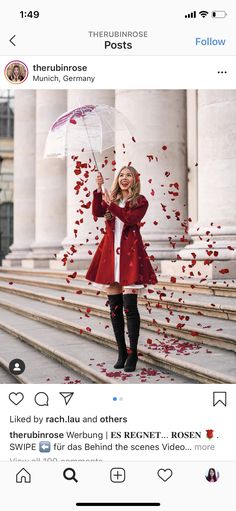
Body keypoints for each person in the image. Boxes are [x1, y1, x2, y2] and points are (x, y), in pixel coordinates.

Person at [86, 166, 157, 372]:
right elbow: (97, 212)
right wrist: (99, 190)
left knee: (129, 307)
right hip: (111, 255)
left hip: (129, 256)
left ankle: (133, 354)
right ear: (117, 179)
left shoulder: (140, 201)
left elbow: (129, 218)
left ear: (135, 180)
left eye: (129, 175)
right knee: (115, 308)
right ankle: (121, 351)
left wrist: (111, 204)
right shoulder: (112, 198)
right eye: (122, 175)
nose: (124, 178)